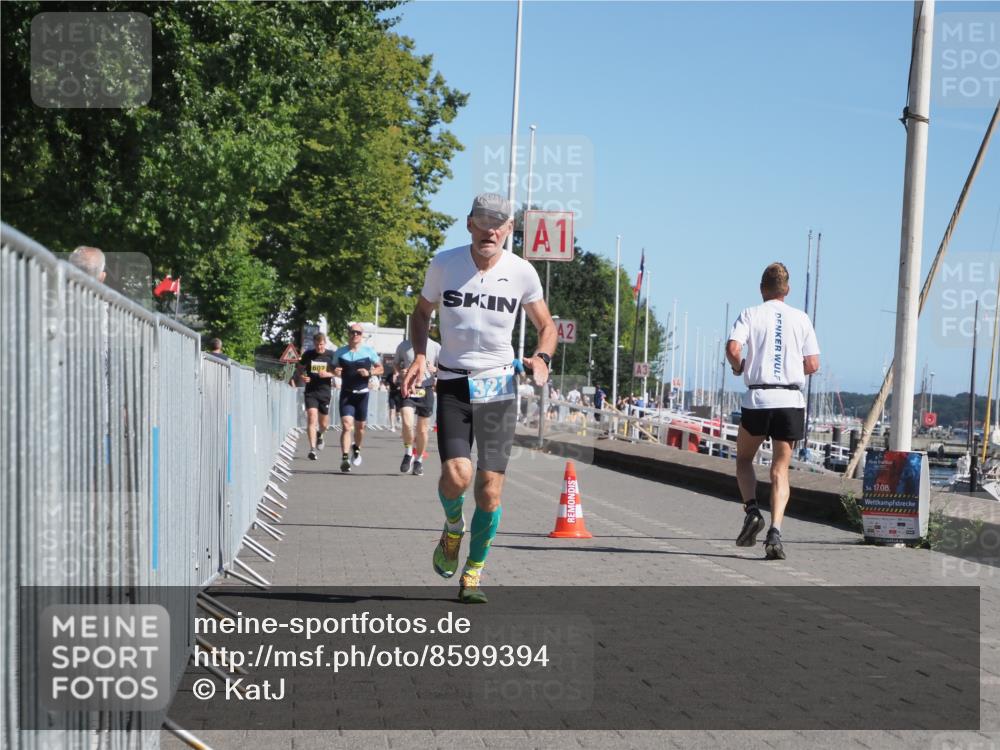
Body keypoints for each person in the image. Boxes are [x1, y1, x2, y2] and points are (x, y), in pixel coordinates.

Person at [402, 193, 556, 604]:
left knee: (489, 489)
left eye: (499, 223)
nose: (490, 229)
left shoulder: (522, 272)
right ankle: (453, 529)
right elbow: (421, 313)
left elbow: (547, 326)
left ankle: (473, 572)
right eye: (483, 221)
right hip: (453, 381)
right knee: (458, 475)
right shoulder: (445, 264)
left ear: (509, 231)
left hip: (499, 386)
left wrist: (541, 358)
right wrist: (420, 355)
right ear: (469, 224)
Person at [726, 262, 820, 560]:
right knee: (780, 469)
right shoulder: (801, 318)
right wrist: (794, 367)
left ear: (761, 289)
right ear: (786, 290)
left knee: (743, 459)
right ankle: (775, 533)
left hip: (759, 398)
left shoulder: (751, 313)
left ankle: (752, 510)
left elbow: (732, 348)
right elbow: (813, 364)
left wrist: (739, 366)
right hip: (790, 401)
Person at [332, 324, 383, 473]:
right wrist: (334, 370)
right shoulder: (340, 352)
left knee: (360, 428)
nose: (355, 335)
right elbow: (331, 367)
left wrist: (370, 372)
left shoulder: (368, 351)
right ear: (348, 334)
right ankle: (345, 458)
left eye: (358, 333)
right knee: (347, 425)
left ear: (362, 335)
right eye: (352, 332)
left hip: (362, 394)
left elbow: (381, 368)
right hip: (346, 393)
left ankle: (357, 448)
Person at [395, 333, 441, 476]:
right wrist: (400, 372)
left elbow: (444, 368)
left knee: (422, 430)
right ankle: (409, 452)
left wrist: (436, 371)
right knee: (407, 423)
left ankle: (419, 460)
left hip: (425, 389)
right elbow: (396, 364)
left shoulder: (435, 346)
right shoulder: (404, 345)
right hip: (408, 387)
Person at [296, 332, 336, 460]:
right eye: (318, 344)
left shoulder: (331, 355)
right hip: (311, 391)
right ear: (314, 344)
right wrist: (303, 376)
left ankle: (320, 434)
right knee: (312, 417)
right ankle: (312, 449)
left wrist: (328, 374)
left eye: (322, 344)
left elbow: (338, 372)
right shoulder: (308, 354)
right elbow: (299, 368)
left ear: (325, 343)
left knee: (324, 424)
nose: (320, 347)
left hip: (325, 392)